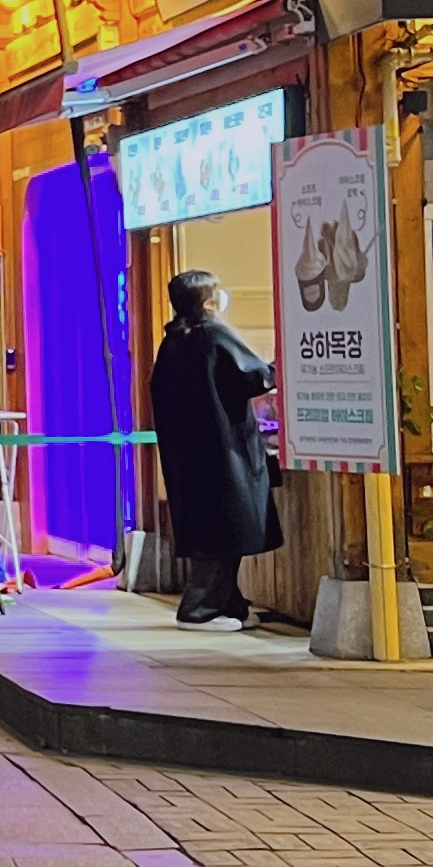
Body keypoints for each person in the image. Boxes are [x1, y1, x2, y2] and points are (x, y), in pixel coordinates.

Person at [150, 269, 281, 627]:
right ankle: (199, 609)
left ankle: (229, 604)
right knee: (227, 532)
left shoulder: (172, 341)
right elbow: (256, 377)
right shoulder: (213, 334)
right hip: (226, 455)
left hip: (189, 458)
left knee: (215, 532)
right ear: (209, 301)